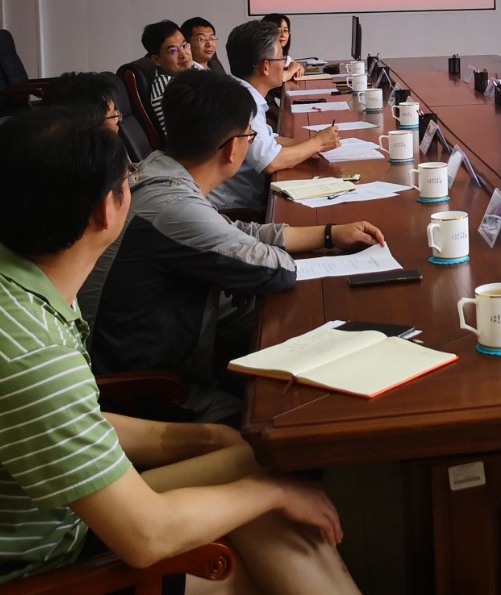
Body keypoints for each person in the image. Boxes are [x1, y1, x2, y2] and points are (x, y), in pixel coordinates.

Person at [0, 107, 418, 595]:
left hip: (41, 520)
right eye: (127, 178)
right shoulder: (24, 350)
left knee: (245, 459)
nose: (135, 183)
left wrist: (206, 439)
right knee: (250, 554)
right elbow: (146, 535)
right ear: (107, 211)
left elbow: (69, 420)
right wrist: (273, 493)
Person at [86, 71, 383, 420]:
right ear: (232, 148)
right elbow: (274, 270)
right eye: (250, 136)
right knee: (289, 413)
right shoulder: (174, 207)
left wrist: (329, 234)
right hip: (148, 389)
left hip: (170, 344)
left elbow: (232, 231)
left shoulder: (158, 169)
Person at [207, 20, 340, 213]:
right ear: (266, 66)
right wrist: (317, 143)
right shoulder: (243, 103)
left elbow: (270, 139)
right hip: (236, 209)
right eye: (281, 58)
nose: (285, 64)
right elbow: (271, 162)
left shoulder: (240, 91)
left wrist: (315, 145)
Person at [140, 20, 193, 134]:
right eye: (173, 51)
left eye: (184, 46)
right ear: (157, 60)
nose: (184, 55)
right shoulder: (165, 95)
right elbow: (181, 138)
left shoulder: (193, 69)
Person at [261, 11, 307, 81]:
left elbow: (295, 65)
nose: (283, 35)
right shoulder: (262, 56)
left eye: (285, 30)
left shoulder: (284, 57)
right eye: (278, 31)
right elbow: (279, 77)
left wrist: (299, 68)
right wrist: (291, 71)